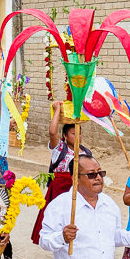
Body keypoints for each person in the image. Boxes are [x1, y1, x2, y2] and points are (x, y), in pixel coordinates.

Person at [31, 100, 93, 245]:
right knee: (60, 219)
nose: (78, 136)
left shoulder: (86, 152)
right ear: (65, 136)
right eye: (73, 133)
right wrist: (57, 109)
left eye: (79, 133)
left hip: (79, 190)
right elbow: (52, 132)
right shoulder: (59, 149)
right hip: (61, 190)